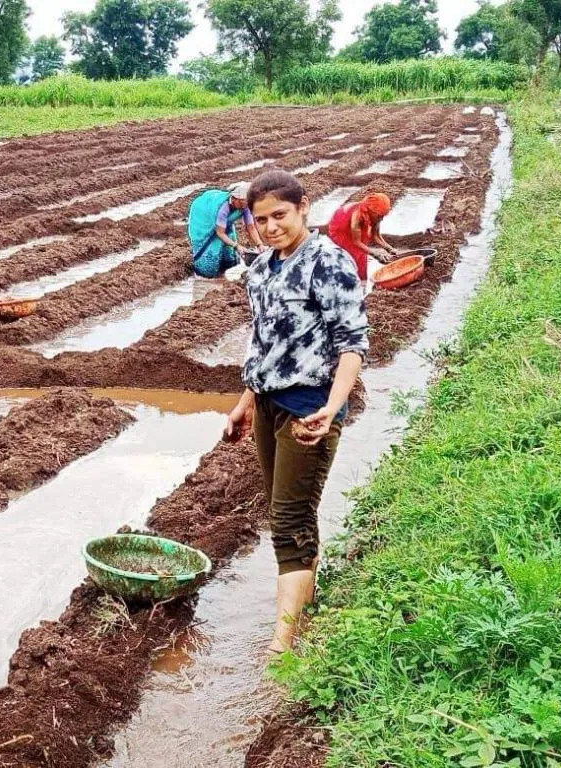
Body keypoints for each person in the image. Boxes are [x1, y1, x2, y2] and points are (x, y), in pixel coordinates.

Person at [224, 170, 369, 655]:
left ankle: (281, 646)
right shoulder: (263, 267)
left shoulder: (328, 262)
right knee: (287, 513)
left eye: (280, 215)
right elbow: (262, 342)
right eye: (261, 219)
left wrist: (332, 407)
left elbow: (352, 345)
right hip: (268, 404)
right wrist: (245, 402)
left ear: (304, 206)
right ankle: (304, 610)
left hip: (309, 408)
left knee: (289, 520)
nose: (270, 227)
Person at [187, 182, 266, 278]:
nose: (243, 206)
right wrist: (236, 245)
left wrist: (259, 244)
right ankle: (204, 277)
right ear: (233, 199)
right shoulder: (223, 209)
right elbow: (220, 233)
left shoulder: (245, 206)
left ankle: (222, 276)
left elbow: (251, 227)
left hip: (223, 222)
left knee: (229, 255)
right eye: (241, 202)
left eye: (245, 202)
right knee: (210, 259)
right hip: (203, 216)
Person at [327, 192, 399, 282]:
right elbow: (356, 242)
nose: (381, 219)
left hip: (355, 223)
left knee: (362, 255)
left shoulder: (376, 214)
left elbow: (376, 236)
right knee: (351, 254)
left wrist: (389, 248)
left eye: (383, 216)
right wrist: (375, 253)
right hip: (340, 226)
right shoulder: (357, 215)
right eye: (379, 216)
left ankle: (361, 281)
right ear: (371, 210)